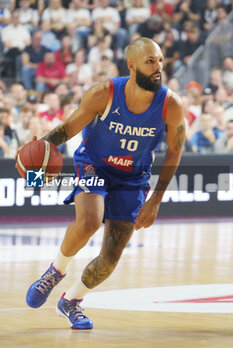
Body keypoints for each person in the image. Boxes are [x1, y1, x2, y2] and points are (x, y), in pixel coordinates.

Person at [24, 37, 185, 330]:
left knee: (110, 259)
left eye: (160, 60)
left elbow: (175, 151)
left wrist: (156, 200)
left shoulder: (170, 104)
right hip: (94, 165)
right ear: (132, 65)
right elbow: (66, 129)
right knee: (89, 222)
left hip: (133, 178)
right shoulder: (104, 93)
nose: (158, 67)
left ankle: (71, 301)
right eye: (151, 61)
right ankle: (55, 270)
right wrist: (36, 157)